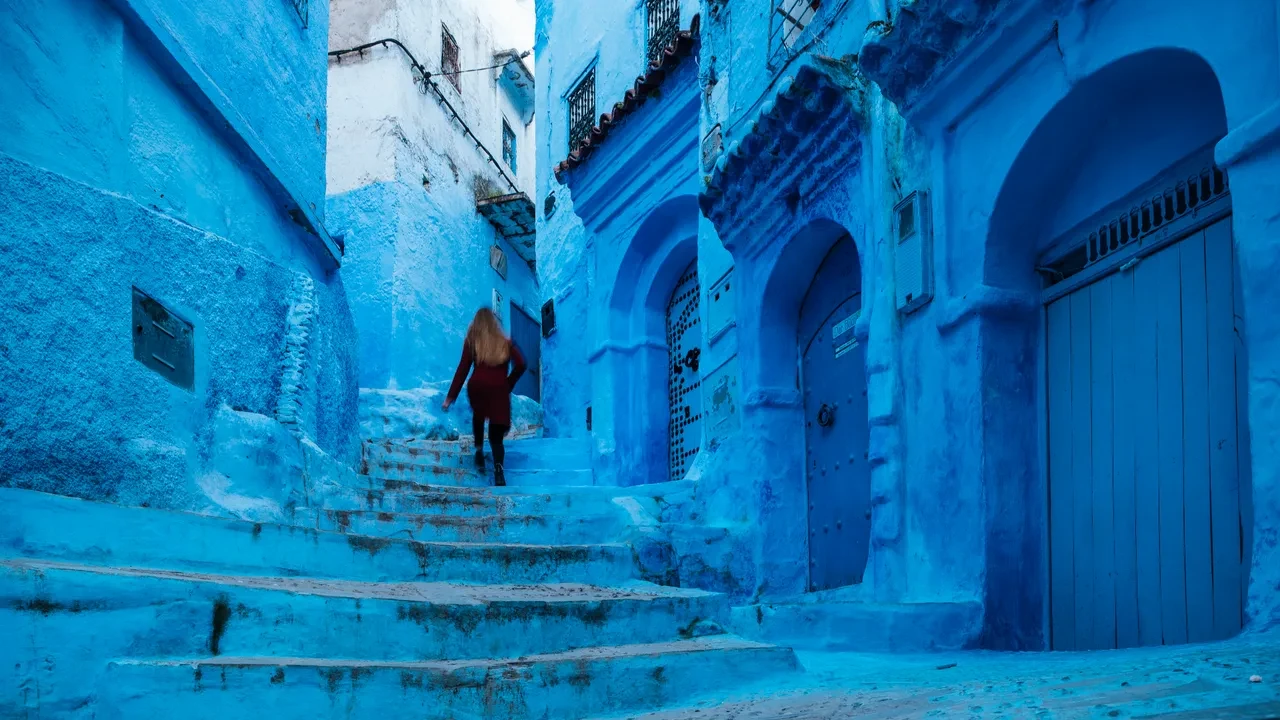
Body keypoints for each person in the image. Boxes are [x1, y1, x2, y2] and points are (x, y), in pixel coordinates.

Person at [442, 308, 526, 486]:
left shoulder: (472, 341)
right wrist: (508, 383)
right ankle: (498, 470)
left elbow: (462, 369)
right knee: (496, 433)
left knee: (479, 415)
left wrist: (450, 396)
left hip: (477, 387)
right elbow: (522, 364)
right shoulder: (505, 342)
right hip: (499, 390)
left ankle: (479, 450)